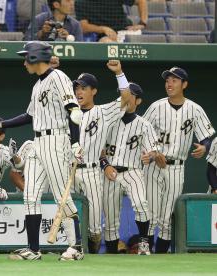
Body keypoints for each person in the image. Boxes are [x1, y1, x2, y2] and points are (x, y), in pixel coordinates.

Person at [0, 41, 84, 261]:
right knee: (30, 195)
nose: (24, 61)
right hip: (38, 141)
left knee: (61, 195)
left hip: (56, 139)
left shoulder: (58, 77)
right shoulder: (37, 85)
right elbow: (29, 116)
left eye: (26, 56)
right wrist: (2, 125)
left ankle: (76, 247)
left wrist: (75, 142)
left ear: (35, 57)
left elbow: (73, 110)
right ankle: (33, 249)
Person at [143, 67, 215, 253]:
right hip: (153, 165)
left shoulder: (194, 109)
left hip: (176, 166)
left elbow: (206, 136)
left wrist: (204, 146)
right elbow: (141, 132)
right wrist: (152, 152)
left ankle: (159, 258)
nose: (169, 83)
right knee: (151, 214)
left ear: (184, 84)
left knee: (167, 218)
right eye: (168, 80)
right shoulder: (156, 107)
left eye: (175, 80)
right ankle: (146, 254)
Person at [72, 60, 131, 253]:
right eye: (76, 88)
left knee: (94, 227)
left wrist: (119, 73)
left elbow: (126, 99)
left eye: (83, 88)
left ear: (94, 91)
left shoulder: (103, 112)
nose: (79, 92)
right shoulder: (67, 112)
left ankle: (92, 255)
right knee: (69, 219)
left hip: (91, 171)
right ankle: (72, 253)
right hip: (69, 171)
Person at [102, 82, 158, 256]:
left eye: (130, 95)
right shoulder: (108, 121)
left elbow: (154, 150)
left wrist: (151, 156)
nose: (124, 98)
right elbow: (98, 150)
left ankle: (144, 244)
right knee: (110, 217)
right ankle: (111, 254)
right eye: (122, 95)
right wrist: (105, 165)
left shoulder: (144, 125)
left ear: (138, 100)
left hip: (133, 170)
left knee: (141, 203)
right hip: (109, 171)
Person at [75, 0, 148, 42]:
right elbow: (83, 26)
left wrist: (142, 23)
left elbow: (141, 1)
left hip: (124, 30)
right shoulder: (80, 1)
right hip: (101, 35)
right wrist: (103, 29)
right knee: (106, 42)